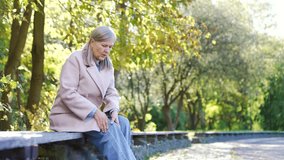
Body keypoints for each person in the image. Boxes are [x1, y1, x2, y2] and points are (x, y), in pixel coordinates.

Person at [49, 26, 136, 160]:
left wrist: (113, 109)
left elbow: (111, 92)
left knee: (122, 122)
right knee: (107, 127)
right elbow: (67, 93)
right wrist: (95, 112)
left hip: (90, 117)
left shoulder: (107, 65)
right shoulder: (76, 59)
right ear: (92, 42)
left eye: (110, 47)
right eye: (104, 45)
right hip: (69, 115)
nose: (107, 50)